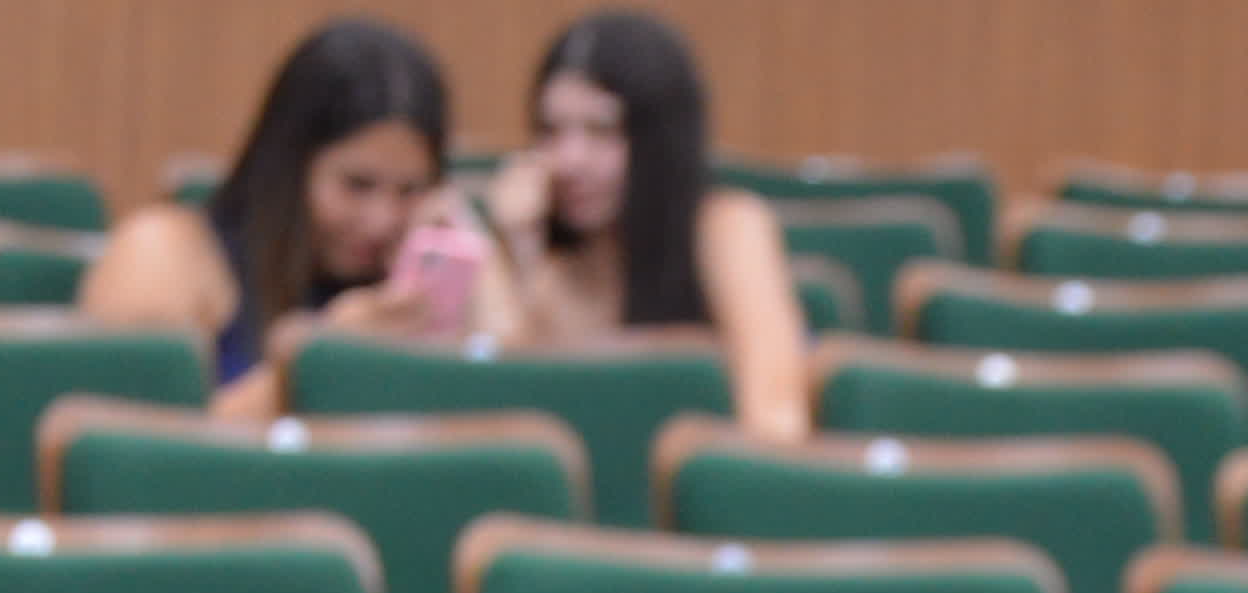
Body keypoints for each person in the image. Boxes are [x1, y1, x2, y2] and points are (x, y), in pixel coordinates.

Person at [82, 17, 469, 423]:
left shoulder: (407, 290)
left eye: (410, 191)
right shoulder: (163, 253)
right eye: (357, 185)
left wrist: (480, 260)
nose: (382, 221)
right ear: (288, 165)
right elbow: (135, 450)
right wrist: (318, 364)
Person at [471, 9, 812, 436]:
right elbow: (513, 419)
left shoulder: (727, 228)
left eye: (602, 130)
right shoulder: (539, 258)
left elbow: (777, 421)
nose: (568, 161)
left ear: (661, 137)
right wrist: (520, 253)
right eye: (551, 131)